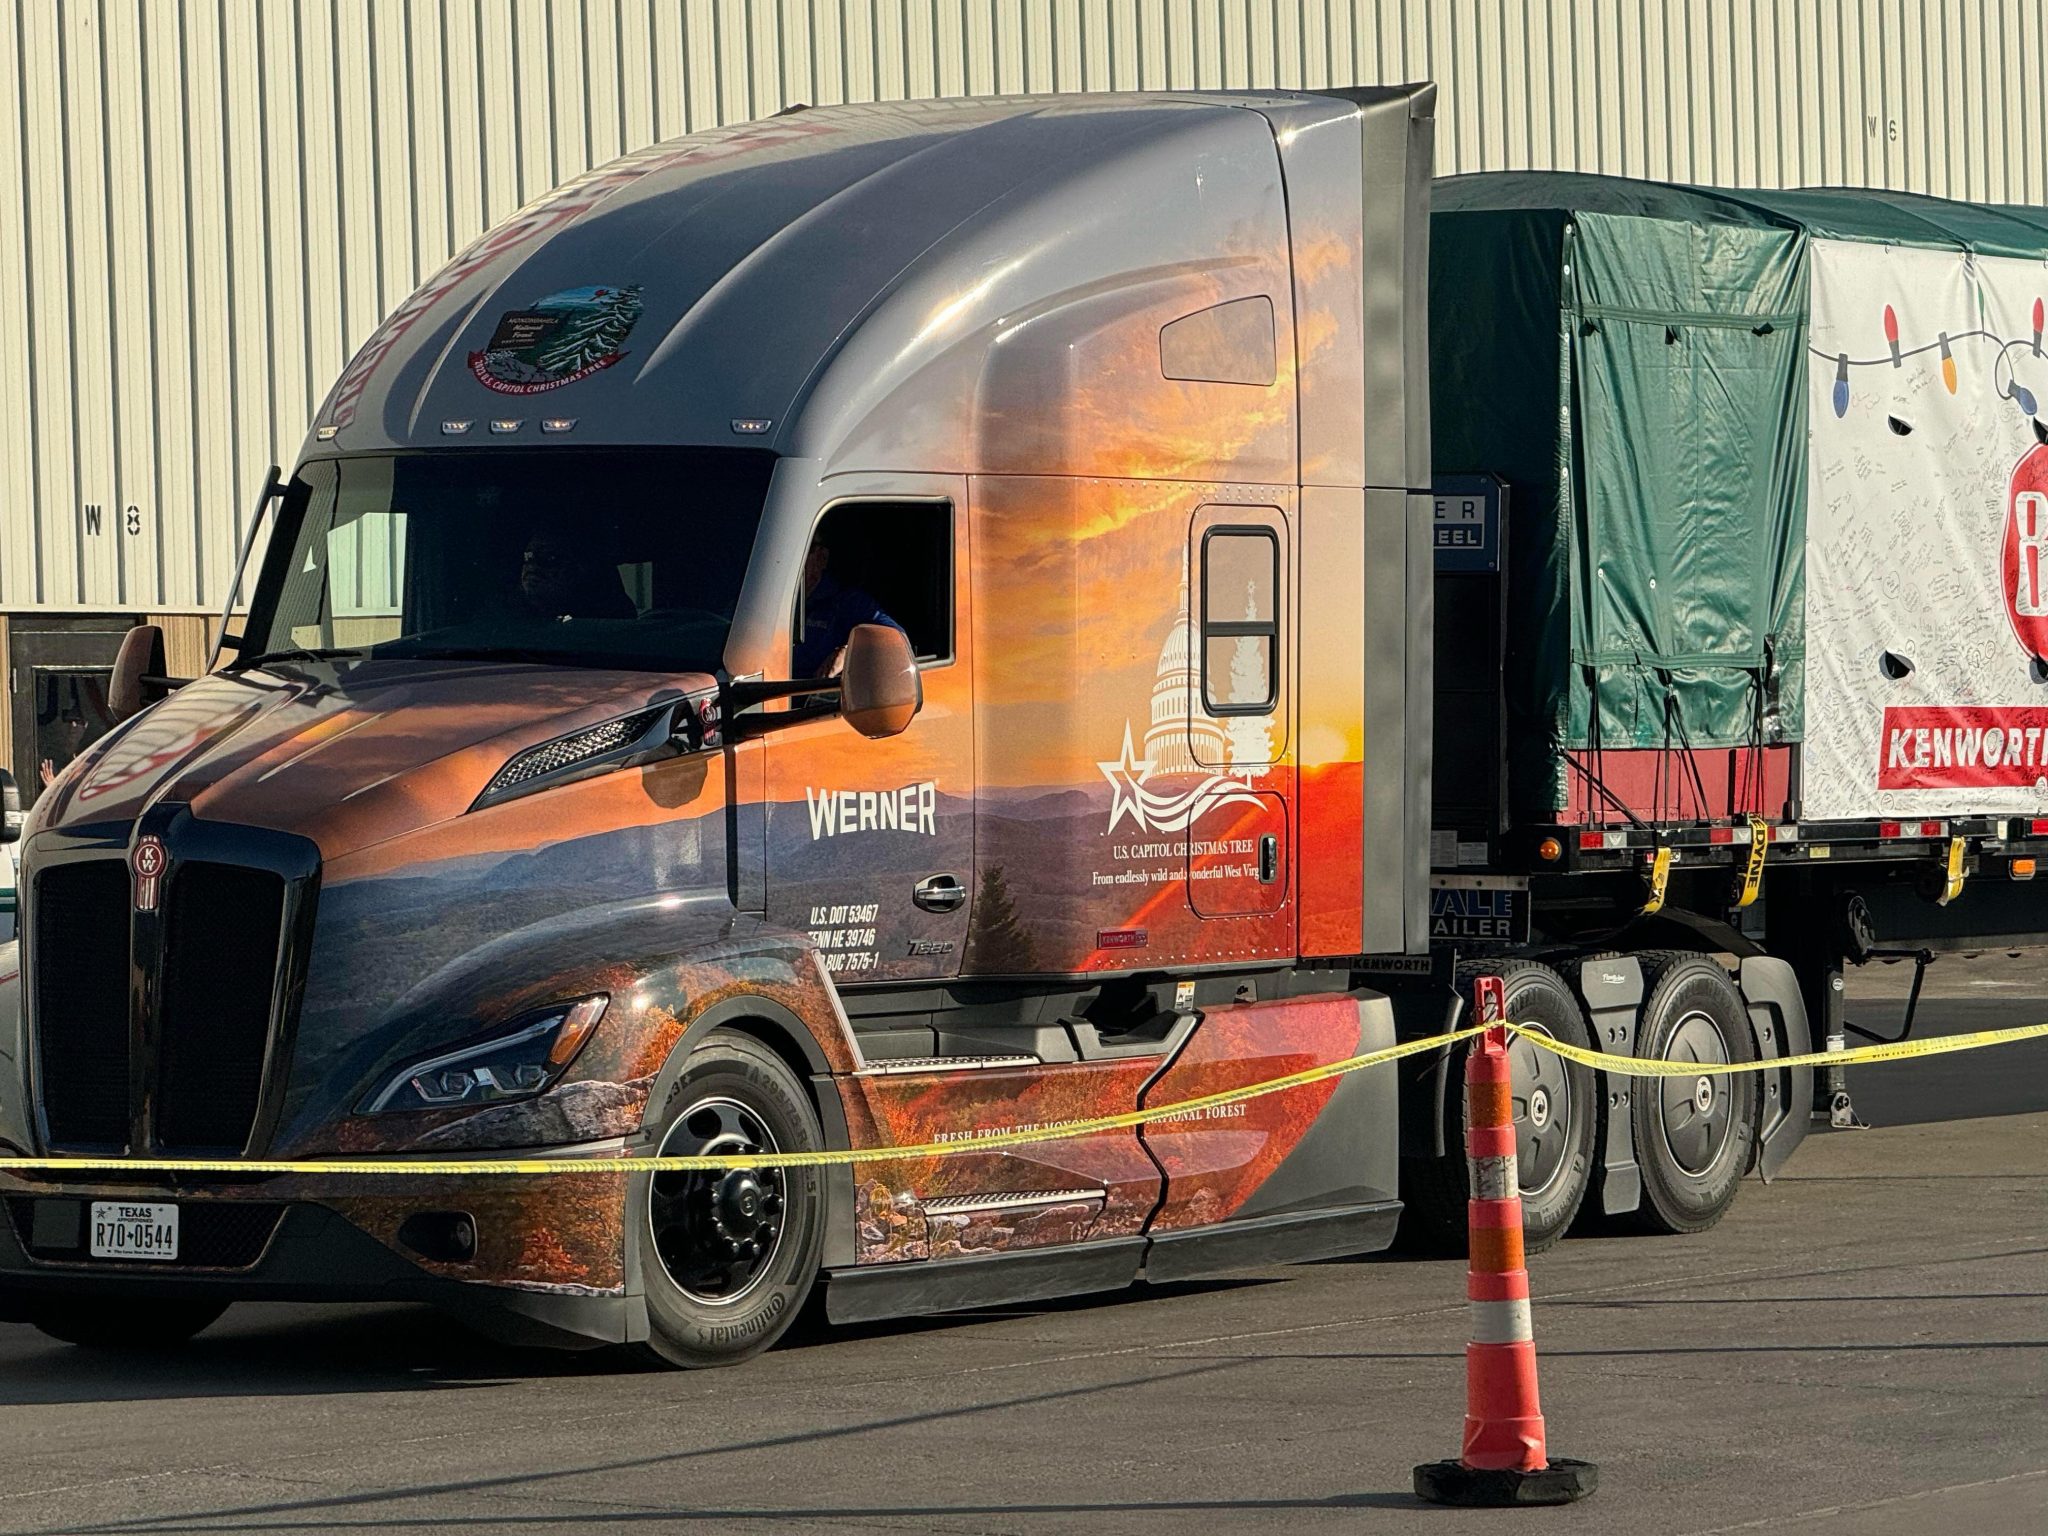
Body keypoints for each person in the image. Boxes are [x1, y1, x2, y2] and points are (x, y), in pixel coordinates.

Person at [793, 540, 904, 677]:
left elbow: (897, 639)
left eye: (796, 549)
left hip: (811, 694)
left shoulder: (847, 602)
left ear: (821, 558)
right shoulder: (768, 601)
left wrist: (848, 653)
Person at [517, 529, 637, 622]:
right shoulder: (511, 624)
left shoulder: (612, 628)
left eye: (549, 558)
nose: (531, 566)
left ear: (584, 567)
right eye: (528, 557)